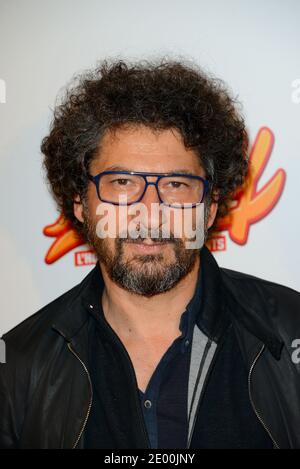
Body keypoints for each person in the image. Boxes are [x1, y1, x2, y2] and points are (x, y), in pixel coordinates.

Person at [1, 59, 300, 449]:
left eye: (177, 184)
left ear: (209, 209)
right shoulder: (19, 365)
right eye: (122, 182)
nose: (150, 212)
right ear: (80, 203)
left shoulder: (292, 333)